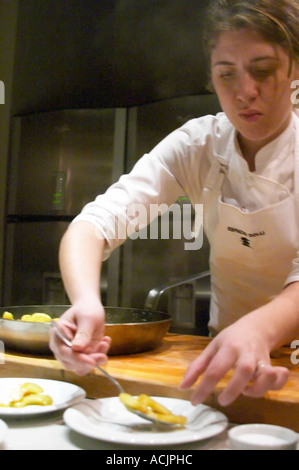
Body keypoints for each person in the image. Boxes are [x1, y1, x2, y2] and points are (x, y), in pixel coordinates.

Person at [50, 0, 299, 407]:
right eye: (226, 74)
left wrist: (261, 330)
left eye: (264, 70)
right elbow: (94, 224)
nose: (244, 91)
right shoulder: (198, 145)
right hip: (226, 366)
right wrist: (85, 303)